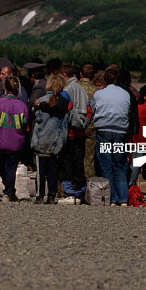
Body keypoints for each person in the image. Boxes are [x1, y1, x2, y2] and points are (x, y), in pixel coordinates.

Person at [90, 67, 130, 206]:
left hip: (104, 131)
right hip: (120, 132)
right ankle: (123, 198)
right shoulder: (125, 94)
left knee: (106, 165)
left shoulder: (99, 94)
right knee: (119, 164)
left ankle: (110, 198)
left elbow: (93, 109)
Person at [0, 75, 29, 203]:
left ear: (4, 87)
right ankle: (9, 192)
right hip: (15, 142)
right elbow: (25, 124)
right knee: (11, 167)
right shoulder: (22, 105)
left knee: (4, 168)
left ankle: (9, 192)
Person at [31, 74, 70, 205]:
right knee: (53, 171)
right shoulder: (63, 103)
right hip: (55, 142)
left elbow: (36, 119)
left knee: (40, 172)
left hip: (41, 141)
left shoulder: (40, 101)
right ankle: (52, 195)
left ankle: (40, 196)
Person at [57, 63, 91, 202]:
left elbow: (61, 109)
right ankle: (80, 192)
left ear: (65, 75)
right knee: (78, 163)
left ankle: (69, 193)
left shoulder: (66, 90)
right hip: (81, 133)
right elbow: (89, 110)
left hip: (69, 133)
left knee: (67, 164)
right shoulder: (82, 90)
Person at [130, 85, 146, 196]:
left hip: (139, 140)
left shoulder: (139, 108)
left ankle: (130, 185)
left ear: (144, 97)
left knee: (135, 166)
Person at [78, 63, 99, 178]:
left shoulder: (75, 88)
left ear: (80, 74)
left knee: (75, 157)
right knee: (89, 159)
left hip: (76, 127)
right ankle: (90, 187)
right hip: (91, 128)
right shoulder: (97, 92)